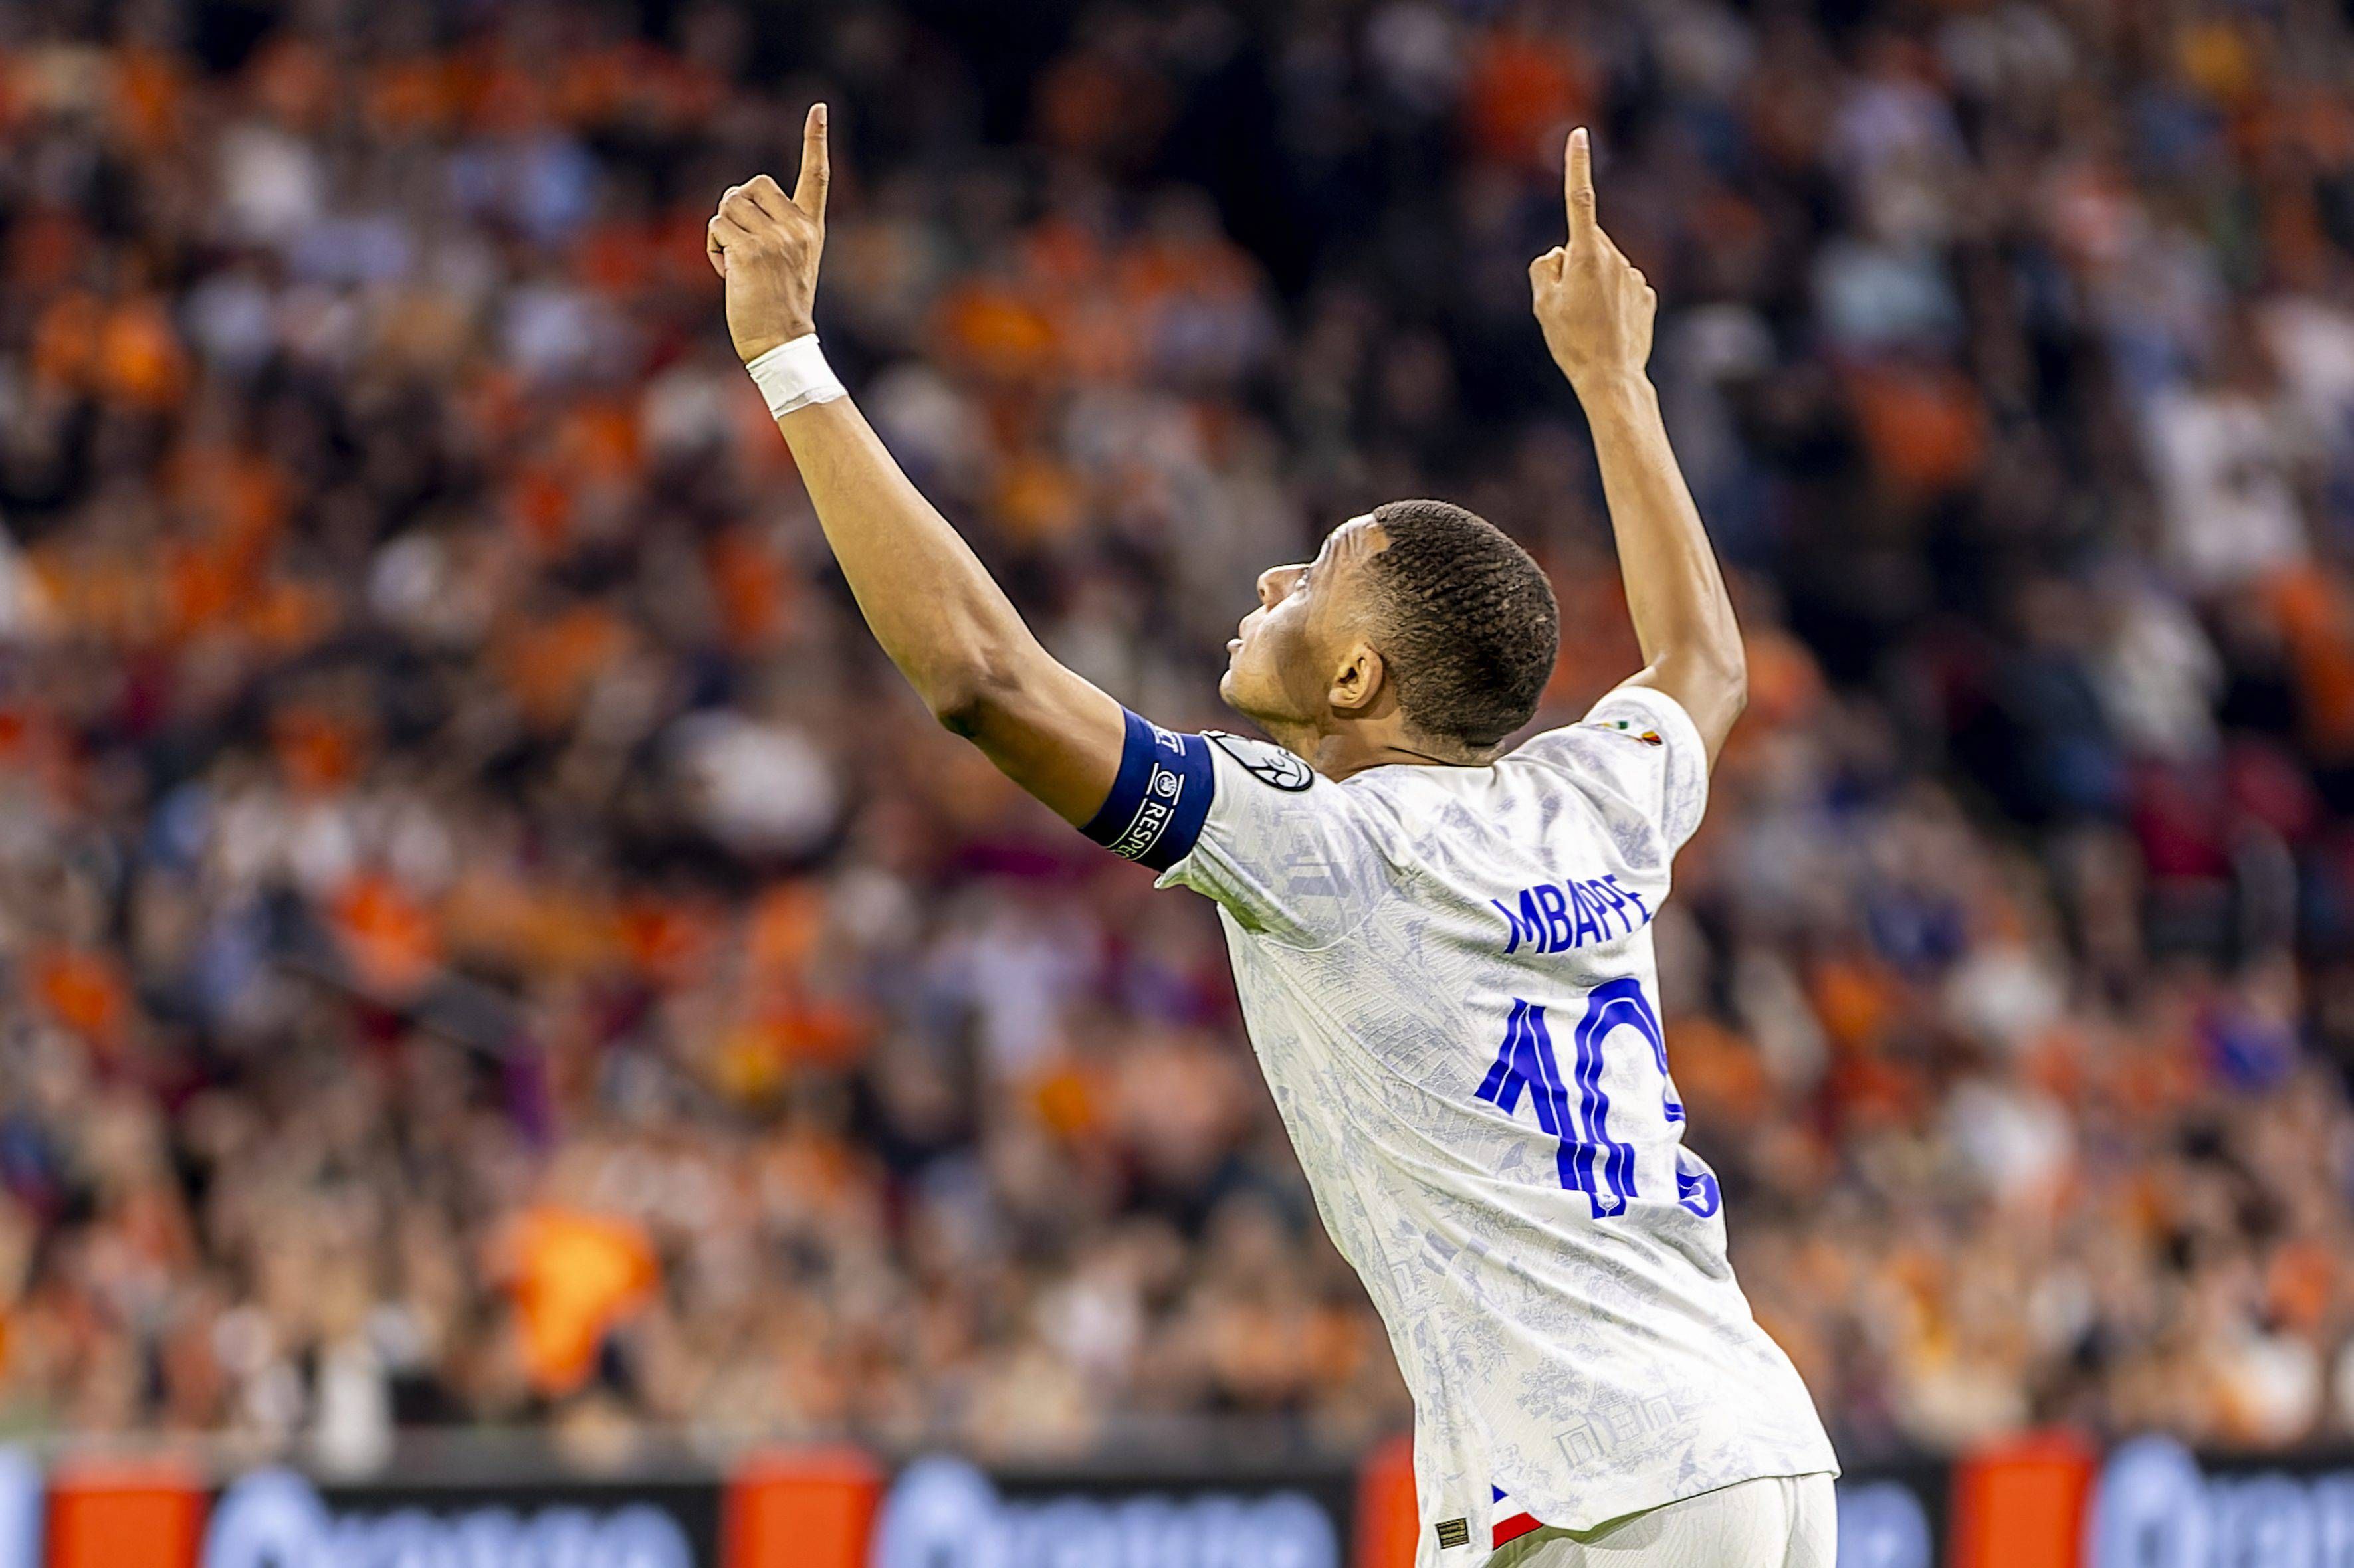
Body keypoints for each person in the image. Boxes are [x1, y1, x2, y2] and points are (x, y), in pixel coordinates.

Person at [706, 108, 1839, 1568]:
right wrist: (1614, 382)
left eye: (1321, 573)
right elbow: (1704, 664)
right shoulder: (1592, 796)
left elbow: (984, 682)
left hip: (1600, 1490)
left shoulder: (1334, 848)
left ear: (1359, 682)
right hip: (1742, 1446)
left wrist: (787, 359)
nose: (1273, 573)